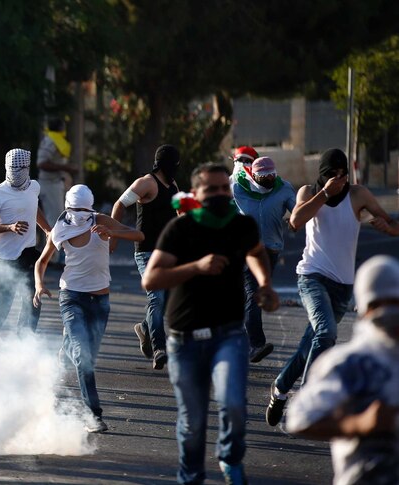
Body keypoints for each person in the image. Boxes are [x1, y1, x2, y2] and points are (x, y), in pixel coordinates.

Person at [142, 163, 280, 485]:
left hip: (228, 333)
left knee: (233, 403)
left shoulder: (241, 225)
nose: (220, 194)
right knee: (192, 423)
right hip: (184, 339)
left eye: (223, 188)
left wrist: (264, 284)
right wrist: (196, 267)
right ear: (195, 194)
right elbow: (151, 279)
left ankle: (230, 458)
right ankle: (191, 477)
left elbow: (256, 252)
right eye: (211, 190)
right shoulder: (181, 229)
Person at [266, 148, 399, 427]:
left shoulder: (358, 194)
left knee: (310, 345)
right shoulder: (308, 192)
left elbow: (390, 222)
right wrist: (324, 193)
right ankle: (307, 398)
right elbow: (296, 220)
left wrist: (389, 229)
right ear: (322, 175)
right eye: (332, 175)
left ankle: (279, 389)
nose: (338, 180)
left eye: (342, 174)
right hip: (312, 276)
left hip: (343, 285)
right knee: (326, 333)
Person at [34, 184, 143, 432]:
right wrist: (39, 285)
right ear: (67, 208)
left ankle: (68, 346)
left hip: (100, 301)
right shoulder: (60, 228)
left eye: (83, 210)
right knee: (84, 360)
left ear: (91, 208)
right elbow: (41, 262)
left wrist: (111, 232)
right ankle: (94, 415)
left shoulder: (100, 220)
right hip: (71, 297)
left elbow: (139, 236)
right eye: (74, 210)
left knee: (88, 357)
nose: (79, 215)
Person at [286, 255, 399, 485]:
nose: (389, 314)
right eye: (380, 304)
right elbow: (299, 418)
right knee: (322, 334)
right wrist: (358, 424)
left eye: (395, 303)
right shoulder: (348, 363)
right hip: (363, 477)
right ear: (366, 308)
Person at [0, 148, 51, 362]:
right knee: (2, 306)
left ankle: (23, 347)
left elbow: (34, 210)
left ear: (27, 168)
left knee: (33, 299)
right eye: (12, 169)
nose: (16, 172)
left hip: (28, 254)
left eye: (20, 169)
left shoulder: (34, 187)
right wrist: (10, 227)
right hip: (3, 257)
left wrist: (47, 230)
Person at [111, 144, 181, 370]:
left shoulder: (173, 185)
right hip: (146, 250)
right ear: (165, 163)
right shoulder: (145, 183)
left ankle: (144, 327)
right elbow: (120, 204)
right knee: (156, 297)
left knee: (168, 299)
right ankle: (159, 348)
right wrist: (115, 235)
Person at [231, 156, 296, 363]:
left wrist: (297, 220)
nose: (269, 178)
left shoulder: (283, 188)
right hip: (246, 249)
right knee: (254, 293)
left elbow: (297, 211)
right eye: (264, 175)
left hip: (271, 250)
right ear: (253, 175)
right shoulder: (238, 187)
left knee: (250, 294)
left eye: (272, 174)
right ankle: (256, 344)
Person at [37, 117, 78, 228]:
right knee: (55, 220)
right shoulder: (49, 141)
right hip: (49, 184)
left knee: (61, 217)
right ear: (60, 128)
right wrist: (65, 168)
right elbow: (41, 163)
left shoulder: (57, 140)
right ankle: (53, 245)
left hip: (57, 182)